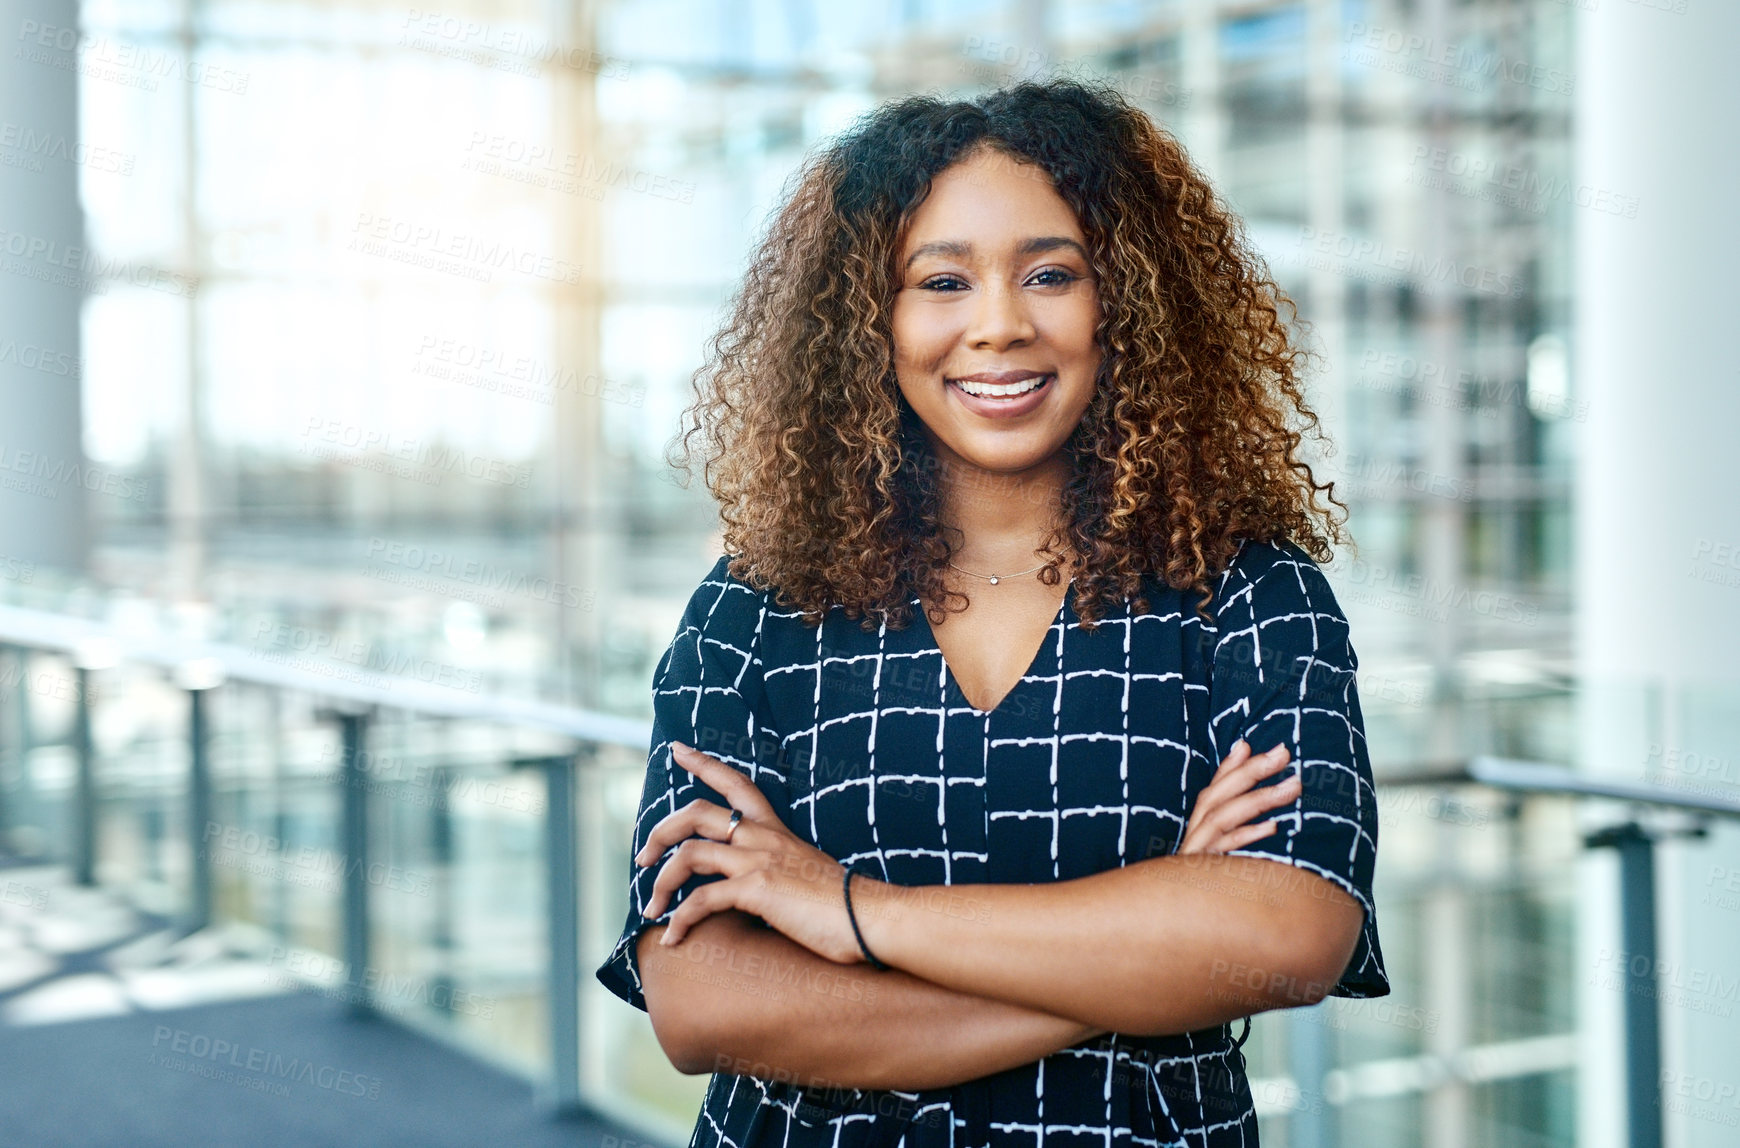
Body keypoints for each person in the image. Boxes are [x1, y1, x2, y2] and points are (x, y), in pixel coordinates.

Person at [595, 79, 1387, 1148]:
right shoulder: (757, 606)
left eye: (1052, 273)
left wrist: (850, 909)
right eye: (942, 280)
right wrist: (1144, 954)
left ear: (1131, 301)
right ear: (869, 321)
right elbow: (705, 1002)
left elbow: (1288, 936)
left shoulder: (1248, 594)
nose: (1000, 325)